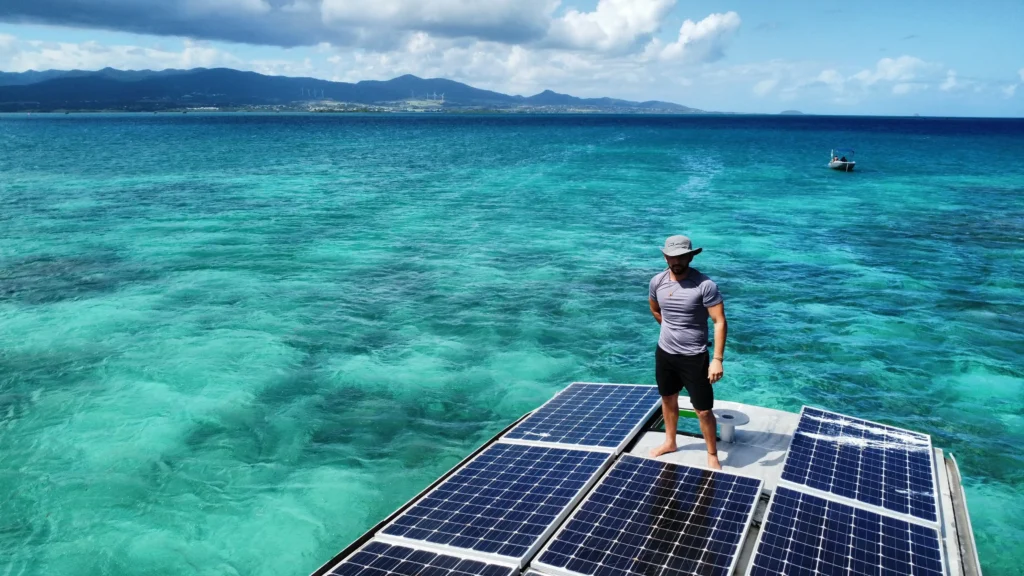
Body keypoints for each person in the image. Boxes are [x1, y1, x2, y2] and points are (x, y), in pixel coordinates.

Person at [648, 235, 728, 470]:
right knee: (668, 398)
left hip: (695, 357)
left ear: (691, 256)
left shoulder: (705, 285)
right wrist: (670, 331)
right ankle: (670, 442)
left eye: (682, 256)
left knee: (703, 410)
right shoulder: (657, 282)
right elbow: (655, 309)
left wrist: (717, 360)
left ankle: (712, 454)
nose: (677, 261)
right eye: (672, 256)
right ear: (665, 256)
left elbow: (719, 322)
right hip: (665, 353)